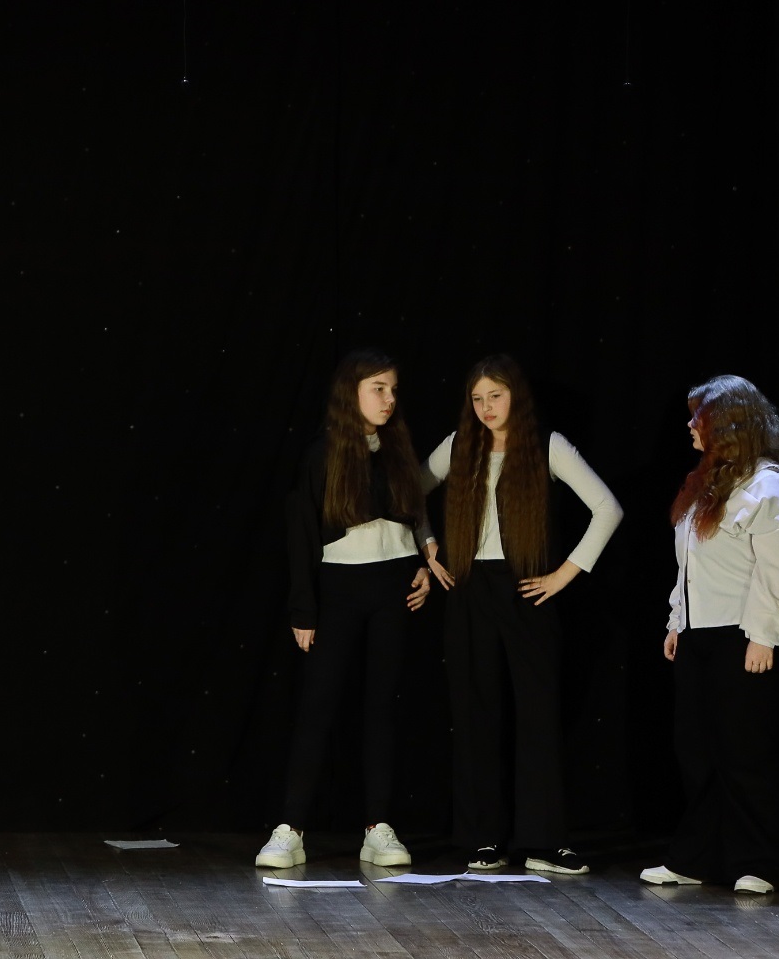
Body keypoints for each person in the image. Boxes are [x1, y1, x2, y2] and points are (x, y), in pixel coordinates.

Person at [420, 354, 622, 876]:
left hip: (527, 590)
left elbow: (608, 508)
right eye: (477, 398)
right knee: (475, 715)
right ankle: (481, 839)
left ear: (517, 396)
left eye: (496, 395)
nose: (486, 407)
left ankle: (543, 842)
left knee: (537, 715)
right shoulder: (458, 446)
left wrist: (564, 574)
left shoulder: (547, 445)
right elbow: (409, 493)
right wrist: (429, 547)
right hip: (470, 591)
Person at [257, 350, 435, 871]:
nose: (389, 399)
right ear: (351, 392)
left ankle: (378, 828)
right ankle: (290, 829)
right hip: (339, 587)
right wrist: (303, 609)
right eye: (378, 388)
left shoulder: (398, 449)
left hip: (393, 586)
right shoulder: (323, 453)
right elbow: (301, 531)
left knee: (382, 705)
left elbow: (415, 516)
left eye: (393, 389)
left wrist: (424, 565)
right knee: (318, 704)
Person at [642, 376, 779, 895]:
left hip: (745, 634)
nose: (691, 425)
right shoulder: (706, 484)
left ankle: (760, 861)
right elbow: (689, 563)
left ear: (730, 425)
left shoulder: (768, 488)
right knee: (697, 751)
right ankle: (697, 858)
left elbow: (778, 571)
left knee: (747, 753)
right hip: (700, 634)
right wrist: (678, 622)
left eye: (701, 417)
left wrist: (764, 637)